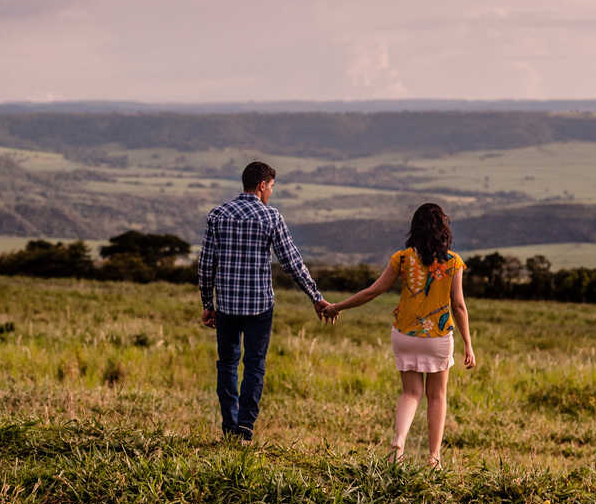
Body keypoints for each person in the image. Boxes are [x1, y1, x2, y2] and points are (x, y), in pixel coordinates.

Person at [323, 203, 475, 466]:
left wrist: (337, 306)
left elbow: (372, 291)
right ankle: (434, 457)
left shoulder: (402, 259)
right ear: (444, 229)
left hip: (404, 334)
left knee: (411, 393)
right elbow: (458, 305)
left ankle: (398, 442)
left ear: (414, 230)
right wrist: (468, 345)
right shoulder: (453, 262)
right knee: (437, 396)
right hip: (438, 338)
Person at [198, 161, 334, 441]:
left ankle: (229, 425)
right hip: (259, 306)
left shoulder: (218, 215)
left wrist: (207, 303)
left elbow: (206, 264)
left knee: (226, 363)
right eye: (271, 187)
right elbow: (292, 263)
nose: (271, 192)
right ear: (262, 186)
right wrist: (315, 296)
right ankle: (245, 430)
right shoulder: (271, 217)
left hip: (225, 304)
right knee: (254, 366)